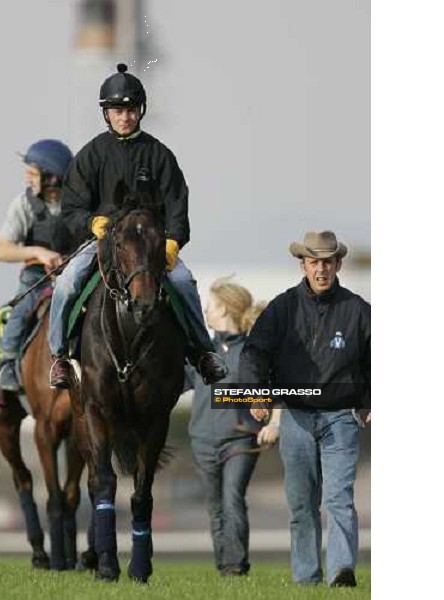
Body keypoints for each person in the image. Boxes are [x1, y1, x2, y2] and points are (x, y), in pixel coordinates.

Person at [47, 63, 228, 388]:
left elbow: (177, 205)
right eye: (117, 110)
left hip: (151, 244)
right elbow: (71, 208)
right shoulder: (90, 155)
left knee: (184, 281)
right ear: (107, 114)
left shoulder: (160, 155)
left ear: (140, 111)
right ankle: (59, 357)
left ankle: (204, 352)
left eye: (130, 109)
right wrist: (92, 222)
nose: (125, 116)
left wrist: (172, 241)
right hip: (103, 240)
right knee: (67, 281)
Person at [239, 231, 371, 588]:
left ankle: (342, 573)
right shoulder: (282, 308)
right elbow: (254, 353)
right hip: (295, 417)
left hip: (341, 418)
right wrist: (258, 395)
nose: (322, 269)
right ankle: (306, 579)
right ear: (304, 265)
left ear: (338, 264)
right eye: (315, 262)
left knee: (338, 498)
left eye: (328, 262)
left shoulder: (358, 310)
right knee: (301, 506)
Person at [187, 277, 274, 576]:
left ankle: (236, 566)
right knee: (215, 507)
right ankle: (224, 566)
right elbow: (170, 384)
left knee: (232, 498)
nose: (206, 312)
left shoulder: (253, 351)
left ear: (223, 308)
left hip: (240, 439)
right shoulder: (199, 352)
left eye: (210, 306)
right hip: (201, 441)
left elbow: (271, 391)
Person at [0, 139, 75, 391]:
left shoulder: (79, 204)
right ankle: (8, 362)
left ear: (51, 177)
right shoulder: (23, 204)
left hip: (74, 272)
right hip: (37, 276)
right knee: (22, 307)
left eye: (32, 173)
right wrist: (38, 252)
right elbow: (0, 250)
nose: (27, 179)